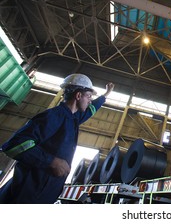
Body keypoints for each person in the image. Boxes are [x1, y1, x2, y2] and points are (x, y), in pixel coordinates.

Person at [0, 73, 114, 203]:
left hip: (44, 193)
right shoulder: (53, 116)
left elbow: (92, 108)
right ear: (78, 96)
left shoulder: (73, 118)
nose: (89, 101)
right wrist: (52, 161)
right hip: (27, 193)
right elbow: (13, 145)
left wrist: (106, 95)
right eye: (88, 96)